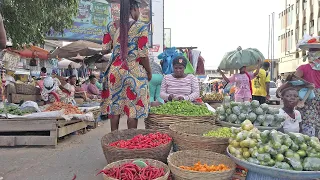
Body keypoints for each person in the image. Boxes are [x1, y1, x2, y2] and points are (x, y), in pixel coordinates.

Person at [100, 0, 152, 131]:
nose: (139, 13)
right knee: (133, 109)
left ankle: (113, 140)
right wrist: (149, 72)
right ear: (134, 9)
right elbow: (143, 53)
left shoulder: (111, 26)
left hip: (115, 70)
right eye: (139, 10)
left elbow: (105, 49)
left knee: (115, 106)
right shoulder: (141, 26)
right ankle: (130, 142)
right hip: (133, 70)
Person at [294, 48, 320, 138]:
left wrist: (304, 85)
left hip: (308, 97)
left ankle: (309, 141)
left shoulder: (303, 68)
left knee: (307, 121)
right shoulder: (304, 68)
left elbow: (292, 81)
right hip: (310, 97)